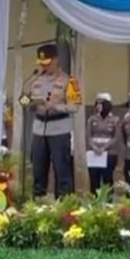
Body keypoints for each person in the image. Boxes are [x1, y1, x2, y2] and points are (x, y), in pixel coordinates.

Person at [26, 44, 81, 199]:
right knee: (38, 169)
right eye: (41, 63)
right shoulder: (35, 79)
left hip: (59, 130)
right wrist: (30, 103)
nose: (44, 66)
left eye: (47, 63)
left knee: (62, 168)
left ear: (56, 60)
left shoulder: (69, 81)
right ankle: (38, 200)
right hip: (39, 129)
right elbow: (23, 100)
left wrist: (56, 106)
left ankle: (64, 202)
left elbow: (75, 106)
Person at [86, 93, 120, 195]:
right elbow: (88, 136)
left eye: (101, 104)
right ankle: (94, 201)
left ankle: (108, 201)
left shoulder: (115, 120)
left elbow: (116, 137)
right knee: (94, 180)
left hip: (109, 154)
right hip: (94, 154)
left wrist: (104, 148)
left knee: (107, 179)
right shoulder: (92, 119)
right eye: (97, 104)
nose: (98, 106)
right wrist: (94, 147)